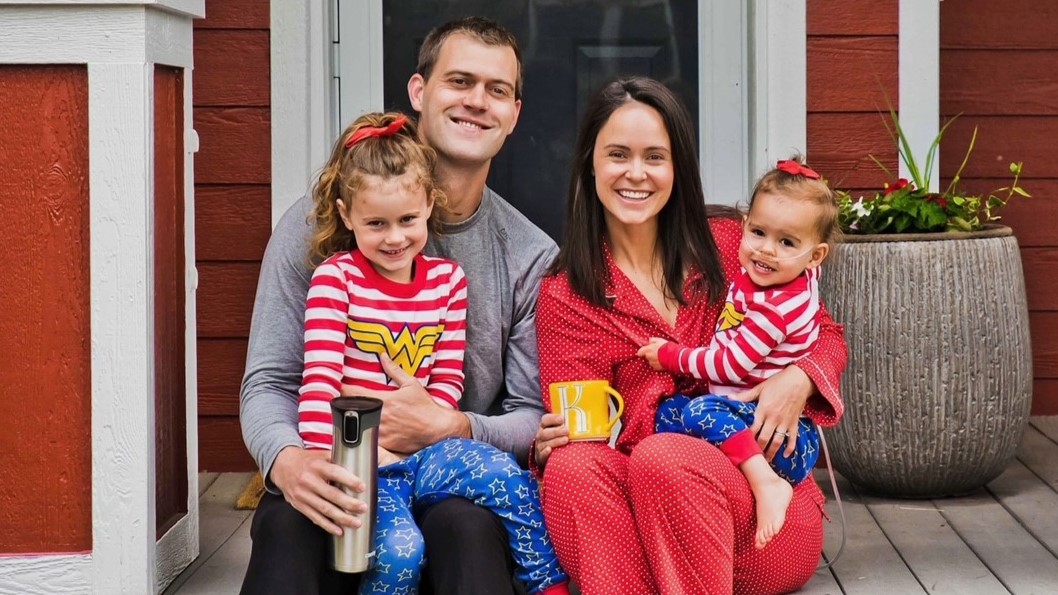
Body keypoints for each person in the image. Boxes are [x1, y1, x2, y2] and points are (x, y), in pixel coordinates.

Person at [239, 17, 558, 595]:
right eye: (459, 81)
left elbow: (531, 414)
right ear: (419, 92)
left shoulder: (530, 254)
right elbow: (268, 381)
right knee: (289, 524)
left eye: (497, 90)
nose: (477, 102)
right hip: (339, 463)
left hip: (445, 473)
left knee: (469, 530)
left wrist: (453, 424)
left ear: (514, 114)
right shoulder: (318, 226)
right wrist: (288, 460)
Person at [531, 77, 847, 594]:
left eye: (655, 156)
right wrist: (553, 444)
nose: (636, 173)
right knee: (572, 466)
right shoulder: (567, 293)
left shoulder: (734, 242)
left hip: (757, 516)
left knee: (668, 456)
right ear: (590, 163)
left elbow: (825, 334)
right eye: (618, 155)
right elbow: (582, 427)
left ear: (678, 167)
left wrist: (801, 377)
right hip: (638, 516)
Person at [297, 110, 569, 595]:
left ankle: (546, 583)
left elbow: (447, 382)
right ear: (345, 215)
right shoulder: (335, 280)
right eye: (375, 223)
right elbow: (320, 380)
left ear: (429, 204)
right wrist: (334, 461)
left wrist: (425, 421)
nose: (395, 237)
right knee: (401, 554)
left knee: (506, 478)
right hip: (364, 466)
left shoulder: (447, 282)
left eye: (407, 219)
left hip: (431, 451)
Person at [636, 157, 839, 551]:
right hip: (748, 419)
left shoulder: (775, 308)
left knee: (697, 412)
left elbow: (730, 364)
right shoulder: (788, 273)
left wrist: (670, 356)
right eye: (759, 232)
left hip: (783, 442)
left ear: (816, 257)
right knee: (668, 416)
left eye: (786, 242)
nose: (766, 251)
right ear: (744, 224)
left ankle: (767, 483)